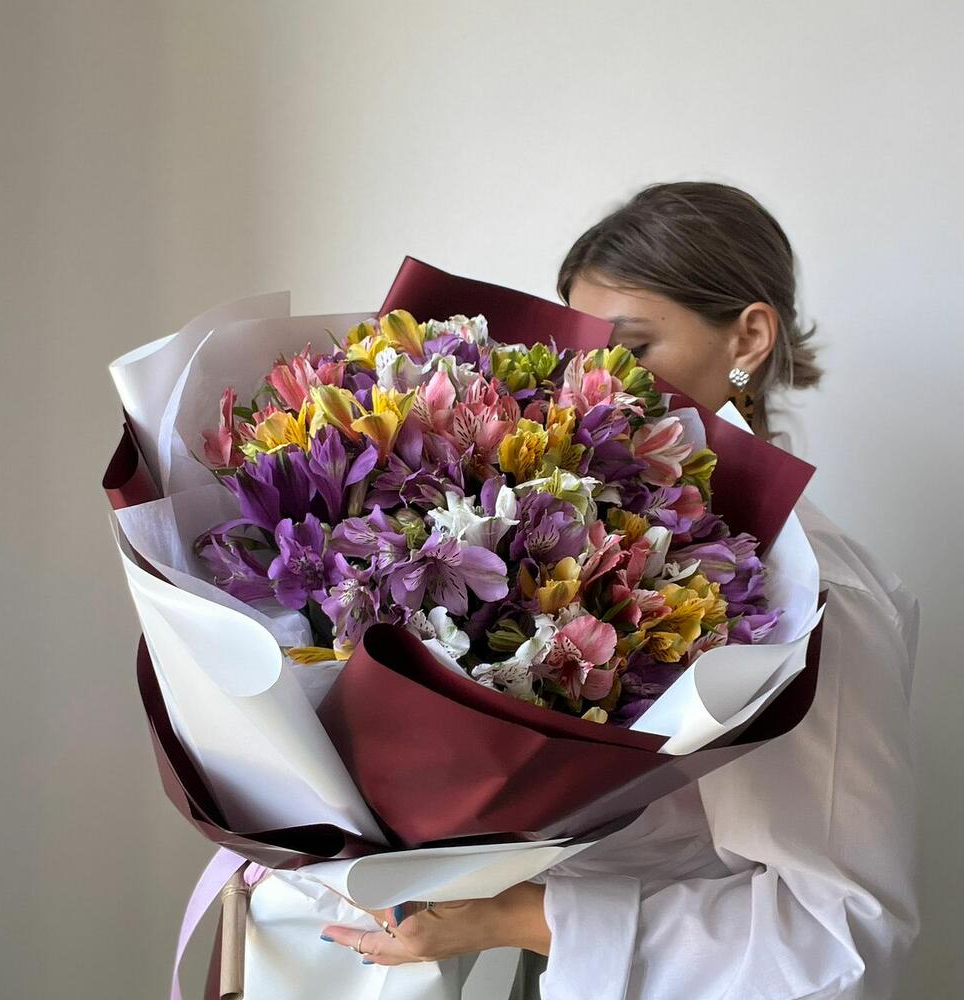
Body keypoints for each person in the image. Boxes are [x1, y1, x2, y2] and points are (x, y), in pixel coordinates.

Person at [319, 182, 921, 999]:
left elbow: (840, 936)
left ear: (748, 337)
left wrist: (523, 917)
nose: (599, 381)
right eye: (583, 348)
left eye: (633, 346)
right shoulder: (586, 545)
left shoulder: (819, 596)